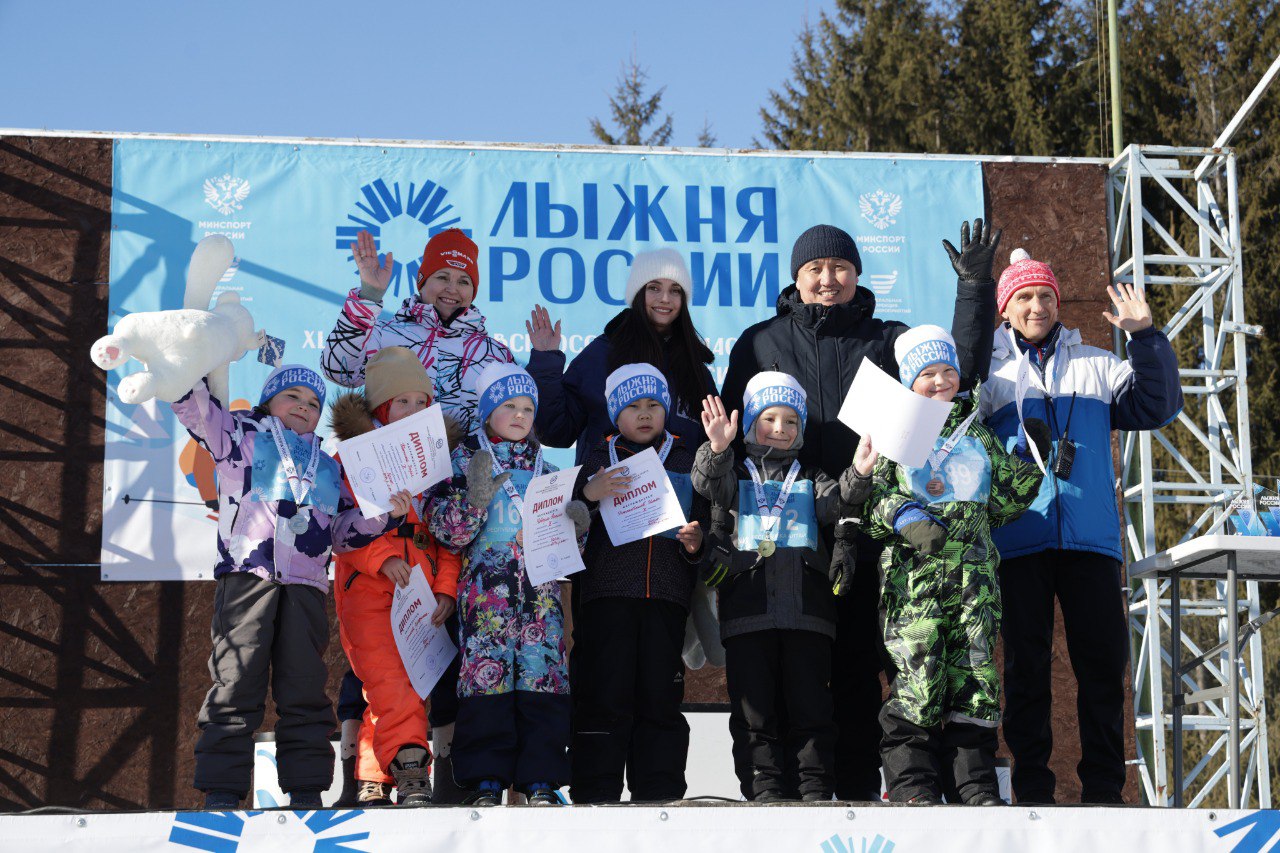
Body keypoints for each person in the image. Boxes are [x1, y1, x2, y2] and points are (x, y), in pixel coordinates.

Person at [719, 221, 1002, 799]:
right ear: (796, 278)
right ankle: (779, 797)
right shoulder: (759, 342)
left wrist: (973, 290)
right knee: (785, 675)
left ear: (857, 275)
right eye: (815, 270)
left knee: (863, 662)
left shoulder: (886, 338)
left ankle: (856, 794)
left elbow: (956, 378)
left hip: (882, 525)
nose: (828, 279)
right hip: (791, 535)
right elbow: (728, 438)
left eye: (840, 268)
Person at [979, 249, 1182, 804]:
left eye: (1045, 295)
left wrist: (1144, 337)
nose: (1037, 305)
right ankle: (1033, 789)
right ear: (1005, 308)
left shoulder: (1096, 362)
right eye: (1024, 297)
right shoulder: (990, 374)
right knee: (1025, 669)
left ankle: (1103, 789)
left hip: (1090, 541)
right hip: (1019, 539)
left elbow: (1157, 407)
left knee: (1100, 666)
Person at [172, 364, 392, 810]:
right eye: (293, 396)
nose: (304, 408)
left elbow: (343, 533)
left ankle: (307, 790)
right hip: (247, 579)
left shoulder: (328, 466)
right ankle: (224, 791)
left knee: (305, 689)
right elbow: (197, 413)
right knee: (236, 683)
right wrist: (187, 363)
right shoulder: (240, 437)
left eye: (314, 403)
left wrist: (386, 513)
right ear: (269, 400)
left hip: (307, 587)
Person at [861, 325, 1047, 804]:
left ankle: (976, 788)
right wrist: (904, 516)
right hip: (914, 588)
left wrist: (1031, 463)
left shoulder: (978, 434)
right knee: (917, 681)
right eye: (928, 373)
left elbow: (1001, 505)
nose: (941, 380)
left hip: (975, 587)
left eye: (948, 370)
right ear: (909, 382)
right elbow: (871, 501)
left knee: (975, 684)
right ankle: (913, 787)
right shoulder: (894, 433)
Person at [692, 373, 873, 802]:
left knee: (812, 710)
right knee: (754, 712)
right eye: (769, 418)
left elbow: (840, 502)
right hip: (748, 614)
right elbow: (707, 482)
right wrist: (718, 448)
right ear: (751, 421)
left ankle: (813, 791)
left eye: (791, 421)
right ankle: (764, 790)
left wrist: (860, 472)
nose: (780, 428)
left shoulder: (811, 477)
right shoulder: (736, 475)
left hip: (808, 616)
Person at [428, 363, 590, 806]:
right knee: (487, 683)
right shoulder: (462, 461)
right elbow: (448, 531)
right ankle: (486, 781)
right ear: (486, 412)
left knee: (543, 683)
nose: (520, 415)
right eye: (508, 406)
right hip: (486, 601)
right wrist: (475, 501)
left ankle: (541, 781)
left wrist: (578, 527)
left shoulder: (550, 469)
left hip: (540, 601)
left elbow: (568, 548)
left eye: (527, 408)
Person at [569, 363, 708, 803]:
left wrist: (696, 542)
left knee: (660, 700)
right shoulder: (594, 457)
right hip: (605, 599)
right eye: (632, 406)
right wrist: (588, 496)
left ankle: (661, 794)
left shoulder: (689, 458)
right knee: (602, 695)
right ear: (615, 414)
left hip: (666, 598)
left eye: (653, 405)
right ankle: (595, 793)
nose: (644, 414)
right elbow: (564, 528)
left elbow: (708, 524)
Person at [330, 347, 462, 807]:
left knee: (399, 686)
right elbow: (341, 526)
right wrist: (383, 554)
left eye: (421, 402)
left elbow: (449, 535)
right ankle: (411, 772)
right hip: (366, 591)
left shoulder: (436, 464)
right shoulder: (352, 460)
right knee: (389, 682)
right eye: (401, 402)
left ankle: (372, 773)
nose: (412, 411)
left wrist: (446, 588)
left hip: (421, 597)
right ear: (381, 408)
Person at [526, 248, 716, 464]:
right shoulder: (603, 353)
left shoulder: (693, 365)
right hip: (609, 492)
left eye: (675, 290)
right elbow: (556, 432)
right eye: (654, 288)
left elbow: (711, 447)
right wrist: (546, 361)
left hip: (680, 495)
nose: (665, 298)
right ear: (637, 294)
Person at [322, 228, 514, 434]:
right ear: (422, 281)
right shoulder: (384, 335)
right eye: (442, 277)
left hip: (469, 464)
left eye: (463, 281)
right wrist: (369, 295)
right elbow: (339, 371)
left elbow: (515, 420)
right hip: (395, 459)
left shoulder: (495, 355)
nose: (452, 288)